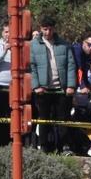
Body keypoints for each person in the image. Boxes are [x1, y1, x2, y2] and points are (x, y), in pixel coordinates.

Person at [30, 17, 77, 154]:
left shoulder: (64, 44)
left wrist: (71, 85)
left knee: (63, 118)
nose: (48, 32)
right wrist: (36, 86)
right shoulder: (33, 45)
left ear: (54, 29)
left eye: (50, 29)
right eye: (45, 29)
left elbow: (71, 65)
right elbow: (31, 67)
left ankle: (64, 147)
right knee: (44, 119)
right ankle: (44, 147)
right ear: (40, 28)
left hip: (61, 89)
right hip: (43, 90)